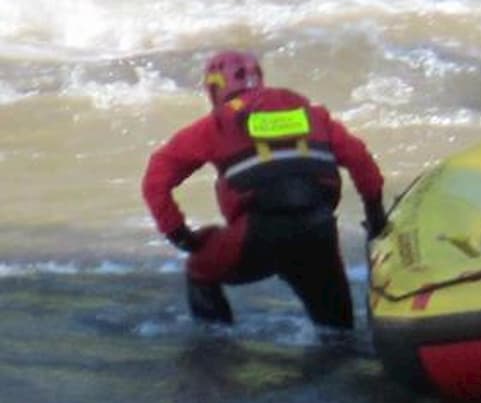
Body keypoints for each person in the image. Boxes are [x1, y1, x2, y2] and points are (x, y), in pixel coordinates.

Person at [142, 50, 388, 329]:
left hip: (257, 233)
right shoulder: (313, 115)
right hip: (317, 229)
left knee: (200, 269)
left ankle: (213, 354)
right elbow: (361, 161)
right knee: (338, 332)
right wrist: (376, 217)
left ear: (214, 88)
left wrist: (181, 236)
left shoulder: (216, 125)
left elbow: (155, 182)